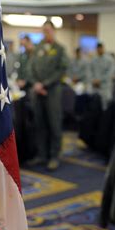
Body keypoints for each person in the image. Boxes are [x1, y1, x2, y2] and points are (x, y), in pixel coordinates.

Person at [28, 21, 69, 171]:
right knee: (40, 123)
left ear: (54, 31)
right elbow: (30, 68)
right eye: (44, 30)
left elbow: (61, 70)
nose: (46, 33)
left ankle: (54, 156)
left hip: (52, 91)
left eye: (49, 30)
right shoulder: (37, 48)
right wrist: (35, 84)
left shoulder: (59, 49)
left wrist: (45, 84)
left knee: (54, 124)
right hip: (38, 92)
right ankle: (42, 154)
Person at [90, 42, 114, 108]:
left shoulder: (109, 59)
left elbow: (110, 72)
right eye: (98, 49)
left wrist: (100, 80)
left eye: (100, 48)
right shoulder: (93, 59)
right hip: (95, 86)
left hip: (105, 86)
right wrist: (93, 80)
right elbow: (90, 71)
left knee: (106, 105)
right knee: (95, 104)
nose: (99, 50)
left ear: (103, 48)